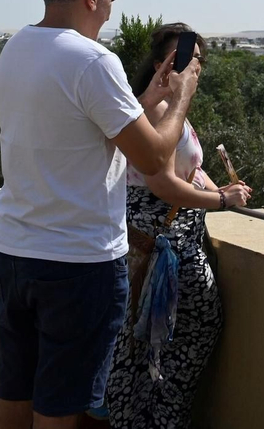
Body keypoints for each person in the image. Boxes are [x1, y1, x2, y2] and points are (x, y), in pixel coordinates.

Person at [0, 0, 201, 429]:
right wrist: (182, 96)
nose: (108, 12)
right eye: (110, 0)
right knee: (60, 413)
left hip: (15, 252)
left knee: (13, 398)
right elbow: (152, 156)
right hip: (77, 265)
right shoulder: (93, 61)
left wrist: (144, 99)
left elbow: (82, 126)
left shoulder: (17, 47)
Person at [102, 23, 251, 429]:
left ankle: (157, 419)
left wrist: (216, 186)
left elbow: (188, 170)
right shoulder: (157, 110)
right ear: (160, 65)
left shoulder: (171, 113)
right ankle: (155, 420)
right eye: (186, 58)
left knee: (151, 345)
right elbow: (162, 184)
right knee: (173, 338)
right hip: (162, 249)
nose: (194, 67)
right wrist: (222, 200)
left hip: (166, 246)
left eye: (198, 59)